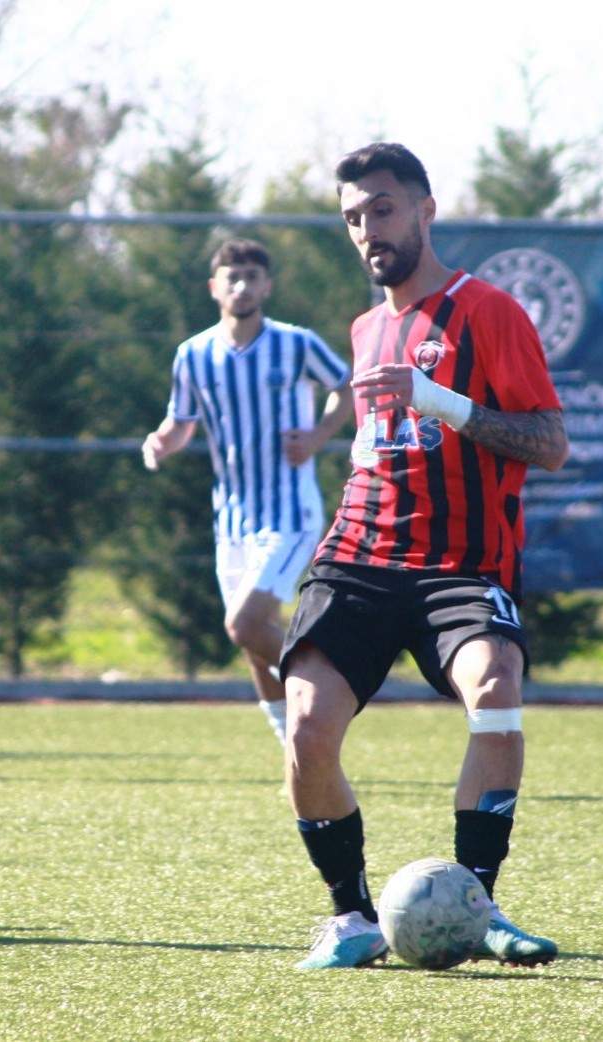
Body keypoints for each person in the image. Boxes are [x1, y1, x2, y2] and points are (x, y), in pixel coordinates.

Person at [281, 142, 570, 969]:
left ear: (423, 210)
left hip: (462, 564)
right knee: (303, 725)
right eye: (351, 217)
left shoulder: (488, 312)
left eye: (381, 209)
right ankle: (351, 917)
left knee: (495, 688)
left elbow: (548, 443)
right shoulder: (366, 327)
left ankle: (477, 903)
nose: (367, 229)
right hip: (360, 557)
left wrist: (440, 401)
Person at [142, 239, 353, 762]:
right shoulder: (193, 353)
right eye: (231, 277)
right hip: (231, 518)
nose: (241, 286)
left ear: (267, 286)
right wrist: (161, 442)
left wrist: (319, 435)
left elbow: (347, 385)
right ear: (214, 288)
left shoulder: (295, 343)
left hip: (289, 513)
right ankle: (297, 753)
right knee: (252, 643)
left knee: (244, 624)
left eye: (251, 277)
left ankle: (335, 687)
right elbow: (181, 422)